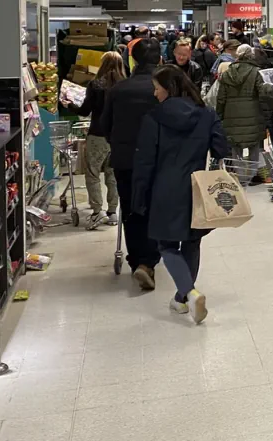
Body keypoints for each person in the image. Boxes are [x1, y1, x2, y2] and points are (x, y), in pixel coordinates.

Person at [132, 67, 230, 325]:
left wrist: (138, 195)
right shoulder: (206, 114)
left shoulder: (153, 118)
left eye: (157, 88)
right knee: (192, 242)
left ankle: (190, 292)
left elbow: (144, 162)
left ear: (169, 88)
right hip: (197, 188)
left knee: (166, 245)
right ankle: (181, 298)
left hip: (163, 189)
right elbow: (222, 148)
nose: (155, 93)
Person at [99, 38, 164, 290]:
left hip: (126, 160)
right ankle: (149, 260)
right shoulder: (164, 88)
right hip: (159, 160)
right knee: (156, 208)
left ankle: (138, 260)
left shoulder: (118, 90)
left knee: (131, 211)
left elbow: (106, 126)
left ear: (133, 60)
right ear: (159, 59)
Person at [72, 51, 123, 229]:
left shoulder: (95, 85)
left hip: (98, 134)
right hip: (118, 136)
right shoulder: (124, 85)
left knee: (93, 173)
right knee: (113, 174)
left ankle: (97, 211)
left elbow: (85, 111)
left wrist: (69, 104)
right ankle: (112, 212)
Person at [216, 46, 269, 185]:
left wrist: (219, 115)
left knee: (236, 148)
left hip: (231, 114)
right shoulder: (256, 73)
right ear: (251, 56)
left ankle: (239, 178)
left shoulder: (227, 74)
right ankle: (250, 177)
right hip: (253, 114)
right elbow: (262, 94)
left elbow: (221, 98)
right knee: (254, 148)